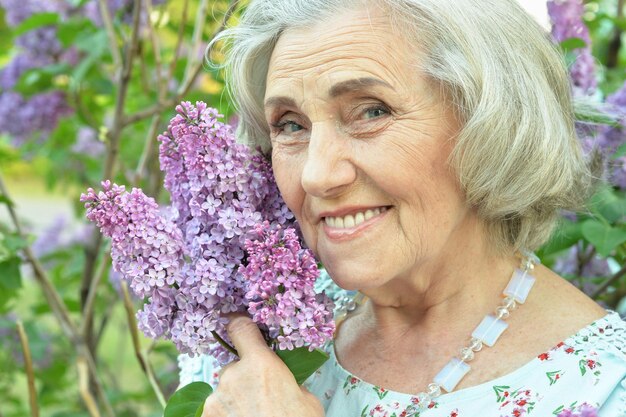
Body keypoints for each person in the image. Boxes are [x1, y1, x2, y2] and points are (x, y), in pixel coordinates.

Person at [178, 0, 626, 415]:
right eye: (290, 125)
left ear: (490, 123)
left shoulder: (602, 391)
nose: (316, 174)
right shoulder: (246, 350)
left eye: (371, 112)